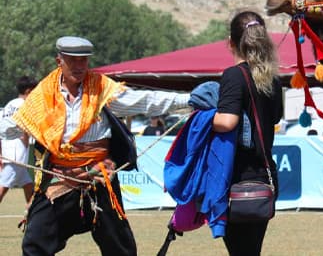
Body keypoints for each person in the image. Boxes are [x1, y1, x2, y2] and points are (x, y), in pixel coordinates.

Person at [0, 36, 189, 255]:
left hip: (100, 179)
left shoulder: (101, 88)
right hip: (58, 180)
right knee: (34, 245)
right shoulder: (42, 95)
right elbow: (8, 127)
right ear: (58, 61)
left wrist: (189, 99)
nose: (79, 66)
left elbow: (144, 101)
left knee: (121, 249)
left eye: (84, 60)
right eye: (72, 60)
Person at [212, 11, 283, 254]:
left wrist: (203, 118)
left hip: (238, 180)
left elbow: (227, 122)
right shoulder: (273, 80)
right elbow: (274, 118)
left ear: (230, 42)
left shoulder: (234, 75)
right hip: (264, 177)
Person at [0, 76, 37, 206]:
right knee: (3, 186)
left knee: (28, 185)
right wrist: (26, 140)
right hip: (17, 153)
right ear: (28, 91)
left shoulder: (10, 104)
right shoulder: (24, 105)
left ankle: (32, 213)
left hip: (9, 151)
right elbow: (23, 127)